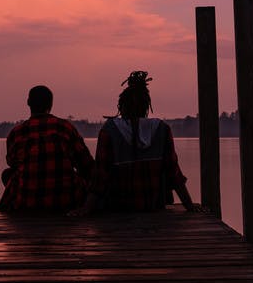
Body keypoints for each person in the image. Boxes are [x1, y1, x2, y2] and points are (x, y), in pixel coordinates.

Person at [71, 71, 201, 215]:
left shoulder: (109, 131)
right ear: (146, 106)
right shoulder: (162, 129)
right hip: (153, 206)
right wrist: (189, 206)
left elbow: (100, 176)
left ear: (122, 106)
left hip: (116, 209)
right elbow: (173, 172)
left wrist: (86, 208)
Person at [0, 85, 94, 212]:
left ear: (28, 103)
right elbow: (86, 164)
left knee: (7, 173)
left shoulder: (16, 133)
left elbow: (12, 162)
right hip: (67, 201)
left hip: (26, 203)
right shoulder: (66, 128)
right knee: (86, 173)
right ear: (51, 104)